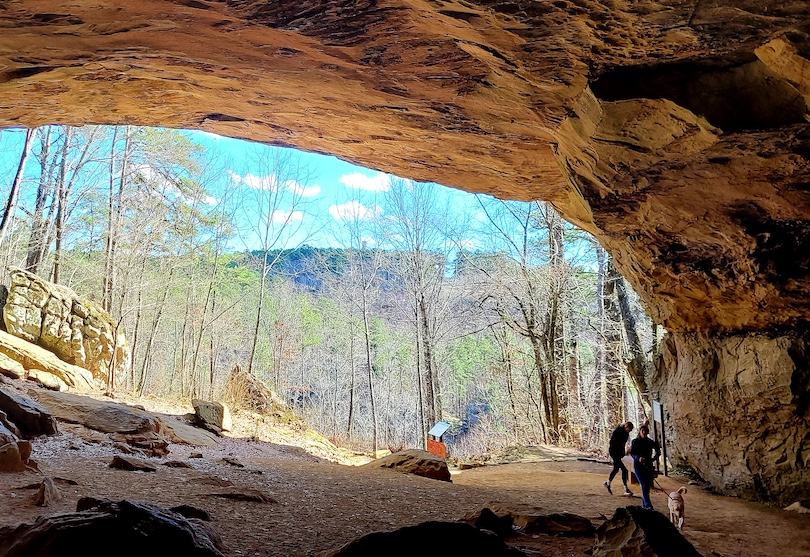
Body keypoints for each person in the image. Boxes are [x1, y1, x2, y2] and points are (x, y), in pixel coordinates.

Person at [630, 424, 661, 510]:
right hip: (638, 466)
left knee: (646, 485)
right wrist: (638, 458)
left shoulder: (650, 442)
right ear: (640, 432)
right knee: (644, 484)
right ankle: (648, 505)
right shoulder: (635, 442)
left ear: (647, 432)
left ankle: (645, 505)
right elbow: (632, 453)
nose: (644, 433)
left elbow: (658, 450)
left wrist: (653, 459)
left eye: (645, 431)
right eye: (642, 431)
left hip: (648, 466)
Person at [604, 421, 634, 495]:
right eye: (629, 429)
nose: (630, 431)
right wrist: (619, 454)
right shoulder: (617, 431)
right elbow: (614, 443)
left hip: (619, 453)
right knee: (624, 470)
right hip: (614, 452)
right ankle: (625, 489)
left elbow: (622, 444)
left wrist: (623, 453)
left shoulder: (625, 434)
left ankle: (608, 482)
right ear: (626, 427)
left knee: (616, 469)